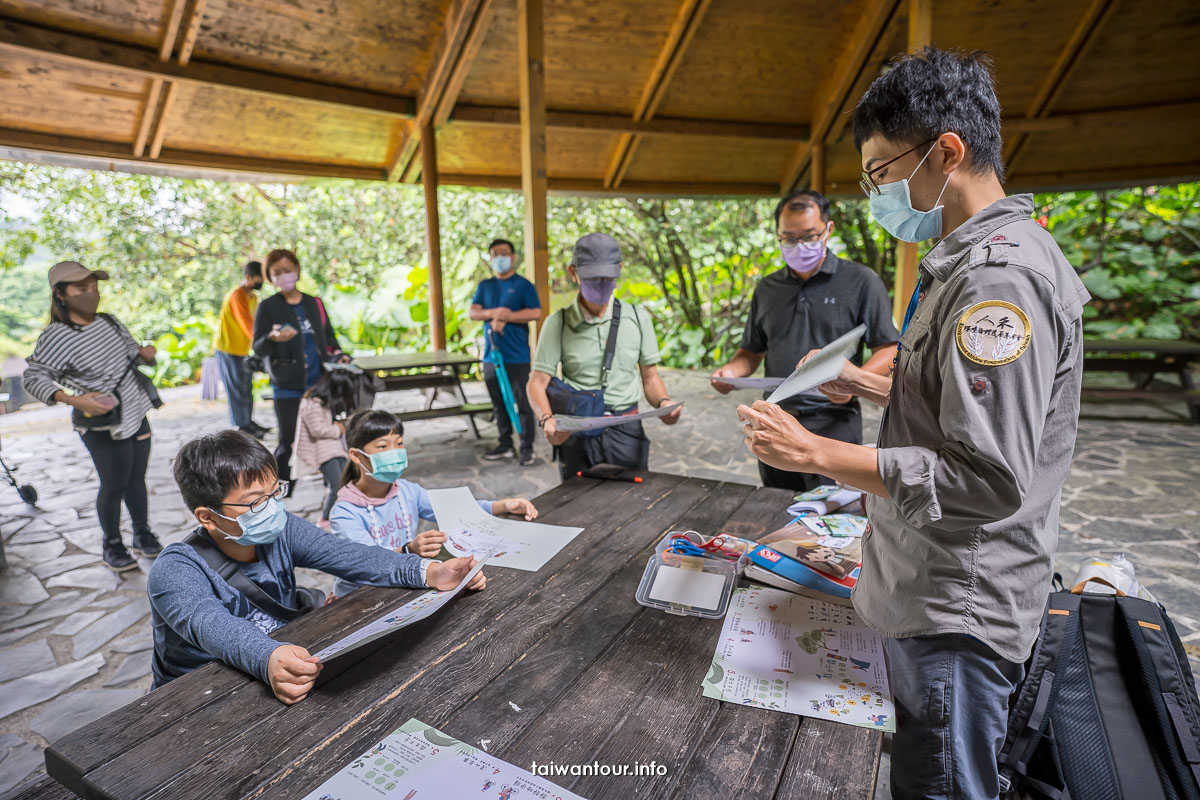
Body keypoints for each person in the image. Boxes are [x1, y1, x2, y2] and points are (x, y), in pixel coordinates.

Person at [738, 47, 1089, 800]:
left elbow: (985, 477)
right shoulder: (967, 263)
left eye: (878, 172)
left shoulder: (1001, 278)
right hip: (927, 587)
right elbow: (955, 411)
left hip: (955, 614)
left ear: (946, 152)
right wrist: (871, 394)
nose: (876, 192)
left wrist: (819, 452)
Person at [148, 430, 486, 704]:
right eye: (255, 501)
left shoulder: (282, 529)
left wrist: (427, 570)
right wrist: (268, 657)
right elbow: (214, 626)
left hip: (276, 668)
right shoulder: (176, 571)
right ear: (207, 516)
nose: (271, 508)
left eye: (275, 492)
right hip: (197, 698)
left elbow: (347, 555)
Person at [711, 190, 898, 492]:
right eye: (789, 238)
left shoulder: (862, 281)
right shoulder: (767, 288)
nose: (800, 246)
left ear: (828, 230)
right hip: (776, 418)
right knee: (775, 506)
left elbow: (889, 349)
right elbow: (751, 350)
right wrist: (731, 372)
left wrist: (853, 383)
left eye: (809, 236)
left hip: (834, 421)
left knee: (833, 517)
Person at [24, 261, 163, 571]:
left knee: (136, 480)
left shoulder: (109, 322)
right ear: (61, 295)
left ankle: (142, 535)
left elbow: (132, 355)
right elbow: (34, 377)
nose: (91, 294)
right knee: (113, 484)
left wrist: (144, 354)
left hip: (135, 410)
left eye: (93, 287)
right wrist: (73, 399)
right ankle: (112, 544)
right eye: (81, 288)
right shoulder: (56, 336)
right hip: (101, 423)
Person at [329, 409, 538, 598]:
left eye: (399, 443)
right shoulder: (345, 512)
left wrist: (503, 506)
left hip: (398, 586)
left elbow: (457, 510)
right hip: (358, 597)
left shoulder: (408, 491)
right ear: (356, 455)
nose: (394, 452)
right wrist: (408, 550)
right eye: (383, 446)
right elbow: (365, 562)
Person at [527, 233, 682, 479]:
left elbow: (650, 378)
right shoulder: (558, 323)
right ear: (573, 273)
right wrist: (547, 419)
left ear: (619, 270)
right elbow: (537, 382)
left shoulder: (638, 318)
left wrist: (664, 404)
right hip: (578, 431)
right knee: (576, 504)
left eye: (607, 277)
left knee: (633, 502)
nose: (600, 283)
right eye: (592, 277)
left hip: (626, 429)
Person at [252, 249, 350, 491]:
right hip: (286, 386)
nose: (284, 276)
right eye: (277, 273)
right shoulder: (268, 307)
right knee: (288, 440)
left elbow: (329, 340)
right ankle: (277, 491)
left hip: (319, 385)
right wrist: (273, 337)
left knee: (327, 437)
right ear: (269, 277)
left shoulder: (313, 303)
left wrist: (341, 356)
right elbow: (258, 347)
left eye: (287, 270)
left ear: (297, 270)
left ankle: (336, 489)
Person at [469, 238, 542, 466]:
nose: (499, 258)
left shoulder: (523, 285)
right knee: (498, 402)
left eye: (503, 253)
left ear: (513, 257)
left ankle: (527, 446)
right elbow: (474, 312)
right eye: (495, 254)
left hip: (517, 355)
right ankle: (505, 444)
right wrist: (497, 313)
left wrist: (507, 316)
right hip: (492, 356)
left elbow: (535, 312)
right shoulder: (485, 286)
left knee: (522, 402)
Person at [294, 366, 359, 528]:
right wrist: (338, 428)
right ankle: (326, 519)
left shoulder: (322, 402)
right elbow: (317, 430)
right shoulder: (313, 404)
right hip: (322, 451)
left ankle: (344, 512)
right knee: (338, 485)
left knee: (346, 480)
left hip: (332, 448)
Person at [214, 260, 268, 439]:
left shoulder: (252, 297)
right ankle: (241, 426)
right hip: (228, 349)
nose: (260, 282)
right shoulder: (238, 296)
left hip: (242, 350)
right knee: (236, 389)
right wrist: (264, 343)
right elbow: (249, 326)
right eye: (257, 278)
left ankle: (248, 422)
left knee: (246, 387)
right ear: (248, 277)